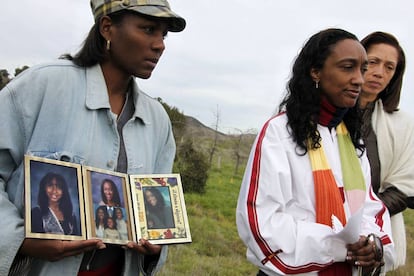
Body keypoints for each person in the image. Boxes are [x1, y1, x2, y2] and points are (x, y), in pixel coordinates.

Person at [0, 0, 185, 275]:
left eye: (163, 34)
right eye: (148, 29)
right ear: (107, 28)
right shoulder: (41, 87)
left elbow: (159, 215)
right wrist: (22, 239)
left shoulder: (157, 121)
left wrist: (157, 245)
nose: (160, 45)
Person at [236, 28, 396, 276]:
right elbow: (262, 222)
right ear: (315, 72)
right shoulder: (279, 133)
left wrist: (372, 244)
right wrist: (340, 246)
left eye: (362, 70)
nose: (359, 79)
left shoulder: (352, 140)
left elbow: (368, 207)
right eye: (347, 67)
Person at [357, 31, 414, 269]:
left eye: (389, 67)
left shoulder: (402, 124)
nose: (380, 72)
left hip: (374, 233)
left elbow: (407, 184)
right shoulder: (325, 114)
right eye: (373, 62)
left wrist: (367, 216)